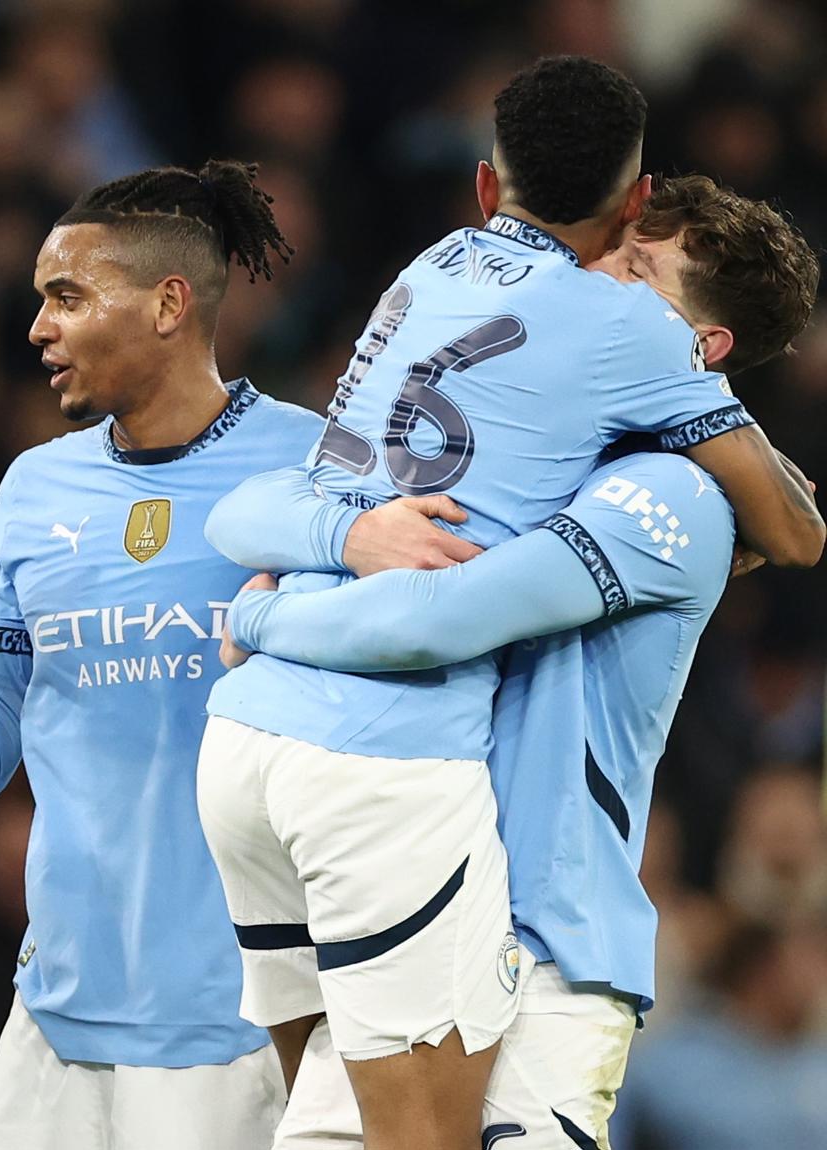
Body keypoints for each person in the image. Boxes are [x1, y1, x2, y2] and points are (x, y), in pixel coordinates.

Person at [193, 57, 822, 1150]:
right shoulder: (555, 439)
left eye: (640, 269)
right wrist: (344, 531)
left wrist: (260, 622)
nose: (597, 280)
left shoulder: (663, 491)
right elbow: (276, 495)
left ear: (702, 354)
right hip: (445, 883)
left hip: (552, 931)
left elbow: (442, 614)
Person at [0, 160, 320, 1149]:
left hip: (233, 1030)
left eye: (67, 297)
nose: (38, 328)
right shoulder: (34, 488)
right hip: (51, 1025)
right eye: (39, 301)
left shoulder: (314, 469)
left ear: (169, 304)